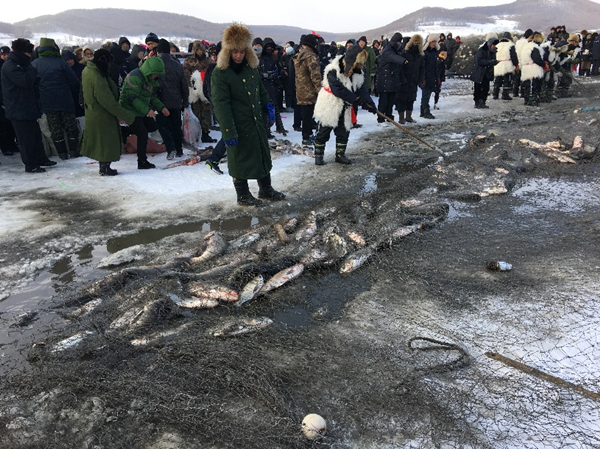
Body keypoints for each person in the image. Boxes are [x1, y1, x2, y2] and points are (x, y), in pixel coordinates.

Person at [211, 23, 285, 206]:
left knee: (261, 154)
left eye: (241, 51)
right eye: (234, 51)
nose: (238, 56)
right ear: (228, 51)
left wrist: (268, 104)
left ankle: (265, 188)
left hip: (255, 122)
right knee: (239, 159)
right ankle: (242, 195)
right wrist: (228, 130)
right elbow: (221, 104)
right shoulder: (220, 73)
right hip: (237, 123)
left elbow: (260, 89)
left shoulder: (251, 68)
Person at [312, 44, 377, 165]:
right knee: (324, 130)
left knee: (343, 130)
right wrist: (356, 99)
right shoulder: (333, 70)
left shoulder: (357, 71)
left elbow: (360, 88)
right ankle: (318, 155)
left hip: (346, 104)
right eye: (358, 63)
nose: (360, 66)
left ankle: (340, 155)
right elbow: (338, 89)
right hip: (330, 103)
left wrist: (370, 103)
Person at [1, 38, 57, 172]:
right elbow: (24, 81)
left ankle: (41, 158)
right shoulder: (11, 66)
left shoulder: (22, 63)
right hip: (18, 108)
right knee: (25, 139)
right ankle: (30, 164)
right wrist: (32, 71)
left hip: (28, 105)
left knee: (35, 135)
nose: (29, 56)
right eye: (27, 53)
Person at [80, 49, 137, 176]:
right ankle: (105, 167)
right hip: (102, 114)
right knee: (106, 142)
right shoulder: (97, 76)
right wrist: (127, 116)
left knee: (101, 142)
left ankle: (104, 167)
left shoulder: (88, 71)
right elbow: (107, 101)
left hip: (93, 112)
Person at [32, 37, 82, 159]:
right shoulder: (61, 63)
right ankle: (74, 151)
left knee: (55, 129)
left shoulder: (35, 64)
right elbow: (74, 81)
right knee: (71, 127)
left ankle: (62, 153)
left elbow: (33, 84)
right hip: (65, 100)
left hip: (47, 101)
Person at [119, 56, 168, 169]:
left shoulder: (148, 79)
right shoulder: (135, 77)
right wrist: (147, 111)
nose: (157, 76)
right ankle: (142, 161)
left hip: (139, 109)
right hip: (129, 109)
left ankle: (125, 131)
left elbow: (150, 97)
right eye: (156, 73)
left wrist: (161, 107)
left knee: (153, 126)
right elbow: (132, 99)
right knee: (142, 133)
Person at [156, 38, 189, 160]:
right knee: (176, 126)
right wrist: (185, 100)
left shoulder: (155, 63)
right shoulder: (177, 65)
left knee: (163, 126)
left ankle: (171, 149)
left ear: (158, 51)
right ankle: (179, 149)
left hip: (161, 101)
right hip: (176, 101)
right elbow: (184, 85)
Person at [183, 40, 217, 143]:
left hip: (205, 90)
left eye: (201, 50)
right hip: (193, 91)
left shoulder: (209, 62)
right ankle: (196, 134)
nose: (199, 52)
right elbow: (185, 74)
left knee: (206, 112)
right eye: (197, 50)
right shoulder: (189, 61)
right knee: (195, 112)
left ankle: (205, 133)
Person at [293, 33, 322, 146]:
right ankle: (306, 137)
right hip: (310, 89)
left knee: (306, 113)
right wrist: (320, 90)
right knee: (308, 114)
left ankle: (307, 135)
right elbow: (315, 75)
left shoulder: (300, 53)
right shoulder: (310, 56)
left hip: (301, 88)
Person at [375, 32, 406, 124]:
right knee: (383, 102)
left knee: (390, 101)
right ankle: (381, 119)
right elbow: (393, 58)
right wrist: (403, 61)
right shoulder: (388, 51)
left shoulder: (395, 50)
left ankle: (389, 116)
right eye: (398, 42)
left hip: (392, 80)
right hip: (384, 80)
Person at [397, 34, 424, 124]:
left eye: (418, 42)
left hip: (414, 79)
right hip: (405, 78)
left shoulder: (420, 55)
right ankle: (401, 117)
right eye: (415, 41)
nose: (416, 43)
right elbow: (400, 67)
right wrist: (402, 78)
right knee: (402, 99)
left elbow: (421, 68)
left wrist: (420, 79)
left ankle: (408, 116)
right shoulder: (405, 53)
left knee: (411, 98)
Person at [0, 45, 19, 157]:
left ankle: (12, 144)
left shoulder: (11, 65)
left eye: (7, 54)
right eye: (3, 54)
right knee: (3, 126)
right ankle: (5, 147)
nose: (5, 56)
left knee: (11, 125)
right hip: (2, 99)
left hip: (10, 99)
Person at [470, 36, 499, 109]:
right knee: (478, 88)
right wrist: (490, 62)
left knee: (486, 88)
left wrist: (494, 62)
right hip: (480, 72)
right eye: (493, 45)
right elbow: (479, 61)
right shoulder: (482, 50)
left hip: (487, 73)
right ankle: (477, 102)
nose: (494, 46)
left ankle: (483, 101)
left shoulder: (493, 51)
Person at [520, 32, 545, 106]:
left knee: (527, 85)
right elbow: (537, 59)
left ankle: (527, 99)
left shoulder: (526, 46)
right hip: (533, 68)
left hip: (526, 67)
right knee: (533, 85)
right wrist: (543, 64)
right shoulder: (535, 47)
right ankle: (532, 99)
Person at [492, 32, 518, 101]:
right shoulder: (511, 45)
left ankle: (495, 94)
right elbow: (513, 56)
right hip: (507, 64)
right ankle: (505, 94)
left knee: (497, 80)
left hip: (498, 64)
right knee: (507, 80)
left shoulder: (497, 45)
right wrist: (516, 64)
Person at [420, 34, 440, 118]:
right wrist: (423, 78)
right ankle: (425, 111)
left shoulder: (434, 52)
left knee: (427, 94)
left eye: (435, 42)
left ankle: (423, 111)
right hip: (426, 77)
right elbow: (422, 67)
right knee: (426, 95)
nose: (433, 43)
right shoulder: (425, 53)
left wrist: (438, 77)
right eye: (432, 42)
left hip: (432, 76)